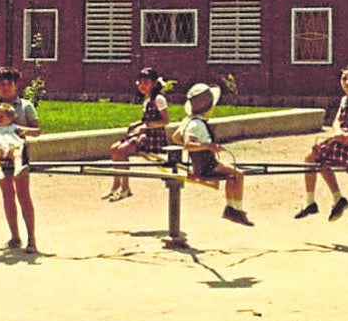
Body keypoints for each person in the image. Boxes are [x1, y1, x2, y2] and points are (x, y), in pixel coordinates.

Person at [295, 64, 348, 222]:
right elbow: (336, 121)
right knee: (318, 161)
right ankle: (335, 199)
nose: (347, 82)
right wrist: (337, 131)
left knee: (310, 159)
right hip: (340, 140)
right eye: (344, 79)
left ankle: (312, 203)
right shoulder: (344, 100)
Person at [172, 82, 253, 226]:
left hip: (202, 163)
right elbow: (187, 144)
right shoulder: (196, 125)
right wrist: (208, 146)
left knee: (231, 174)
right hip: (208, 166)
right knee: (238, 175)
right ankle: (237, 210)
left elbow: (175, 137)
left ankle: (231, 208)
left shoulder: (188, 121)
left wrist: (201, 149)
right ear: (208, 107)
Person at [0, 66, 40, 252]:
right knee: (7, 195)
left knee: (23, 195)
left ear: (16, 86)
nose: (5, 88)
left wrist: (22, 130)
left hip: (18, 153)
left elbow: (37, 130)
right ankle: (15, 237)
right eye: (1, 84)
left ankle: (31, 239)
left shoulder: (25, 106)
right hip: (1, 153)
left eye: (9, 84)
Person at [102, 67, 170, 201]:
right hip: (145, 133)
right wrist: (137, 124)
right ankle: (116, 185)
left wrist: (145, 127)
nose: (141, 86)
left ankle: (125, 188)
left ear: (154, 83)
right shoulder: (147, 99)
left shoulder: (159, 99)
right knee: (114, 148)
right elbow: (147, 118)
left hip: (153, 137)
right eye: (139, 82)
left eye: (145, 83)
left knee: (122, 151)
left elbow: (165, 120)